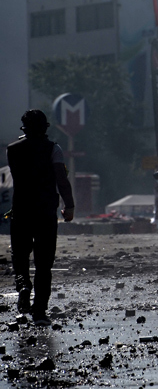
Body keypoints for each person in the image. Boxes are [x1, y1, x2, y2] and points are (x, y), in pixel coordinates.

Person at [6, 110, 74, 326]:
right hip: (45, 213)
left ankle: (23, 285)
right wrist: (69, 205)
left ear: (24, 129)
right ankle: (40, 312)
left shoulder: (12, 150)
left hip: (21, 211)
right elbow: (61, 180)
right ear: (45, 127)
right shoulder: (54, 149)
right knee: (44, 263)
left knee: (20, 256)